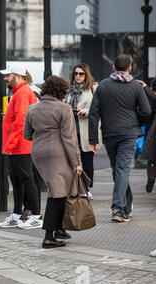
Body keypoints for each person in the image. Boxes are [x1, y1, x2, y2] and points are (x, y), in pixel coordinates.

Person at [88, 54, 150, 222]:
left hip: (110, 134)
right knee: (121, 170)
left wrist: (93, 139)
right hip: (129, 133)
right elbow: (146, 112)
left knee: (119, 169)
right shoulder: (136, 87)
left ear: (113, 67)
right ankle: (118, 209)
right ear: (130, 68)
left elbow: (94, 113)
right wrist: (136, 122)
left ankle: (125, 206)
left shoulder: (103, 86)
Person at [24, 75, 83, 249]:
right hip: (58, 153)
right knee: (56, 193)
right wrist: (77, 162)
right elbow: (69, 139)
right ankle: (49, 237)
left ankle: (59, 229)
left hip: (38, 152)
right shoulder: (64, 109)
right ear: (61, 91)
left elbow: (27, 134)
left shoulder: (32, 109)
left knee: (60, 189)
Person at [0, 63, 41, 230]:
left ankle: (36, 215)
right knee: (17, 180)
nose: (5, 78)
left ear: (17, 76)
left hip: (21, 146)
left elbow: (21, 122)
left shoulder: (22, 93)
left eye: (8, 75)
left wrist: (10, 144)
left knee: (26, 180)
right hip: (19, 145)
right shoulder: (20, 92)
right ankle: (17, 215)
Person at [65, 63, 99, 199]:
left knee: (87, 159)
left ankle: (87, 188)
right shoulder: (68, 89)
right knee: (71, 159)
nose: (78, 76)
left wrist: (85, 111)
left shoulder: (93, 88)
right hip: (71, 129)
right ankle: (74, 188)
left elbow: (99, 108)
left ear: (86, 74)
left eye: (81, 74)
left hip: (86, 129)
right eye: (76, 73)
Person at [137, 78, 156, 192]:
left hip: (150, 132)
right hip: (155, 131)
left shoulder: (148, 99)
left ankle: (151, 177)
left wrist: (145, 86)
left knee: (153, 158)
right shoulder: (154, 98)